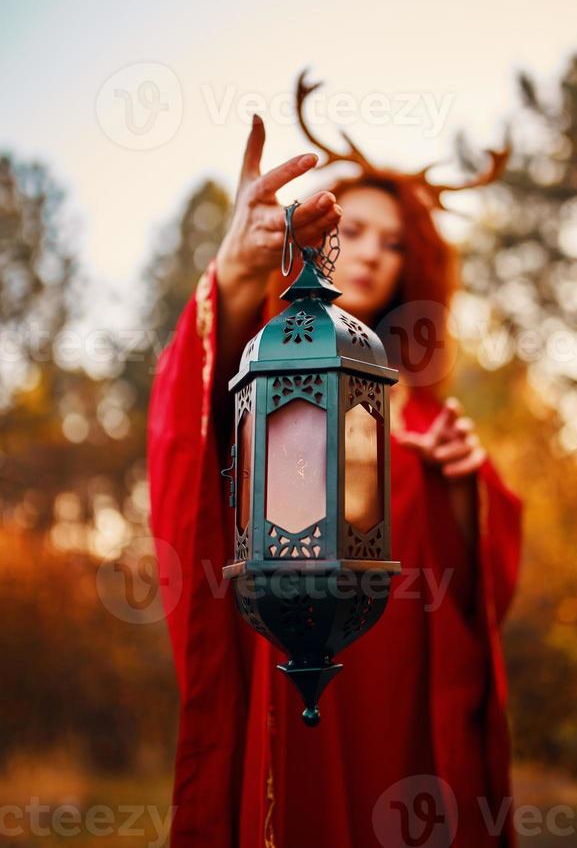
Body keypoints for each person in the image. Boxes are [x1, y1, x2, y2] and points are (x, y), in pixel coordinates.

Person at [147, 96, 523, 848]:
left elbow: (482, 587)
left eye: (394, 241)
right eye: (353, 229)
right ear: (317, 235)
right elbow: (187, 420)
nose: (375, 251)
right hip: (284, 657)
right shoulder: (259, 368)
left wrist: (464, 485)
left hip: (396, 686)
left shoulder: (416, 409)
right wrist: (234, 266)